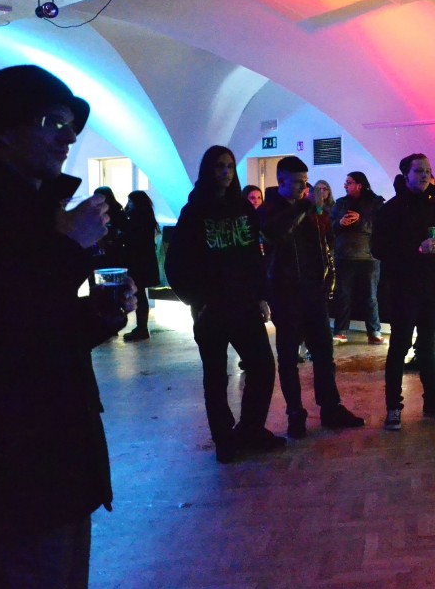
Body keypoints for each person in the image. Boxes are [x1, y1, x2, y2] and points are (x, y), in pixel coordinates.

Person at [0, 65, 136, 589]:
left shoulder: (35, 206)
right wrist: (69, 246)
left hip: (56, 449)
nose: (67, 138)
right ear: (3, 130)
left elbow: (41, 328)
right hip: (15, 457)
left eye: (71, 126)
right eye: (52, 122)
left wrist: (99, 316)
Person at [165, 145, 284, 463]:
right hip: (212, 309)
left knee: (262, 366)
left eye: (230, 166)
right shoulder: (194, 212)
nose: (226, 172)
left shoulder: (243, 209)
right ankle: (224, 438)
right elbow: (176, 263)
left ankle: (251, 429)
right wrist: (197, 300)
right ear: (208, 170)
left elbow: (254, 256)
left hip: (244, 305)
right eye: (219, 166)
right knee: (216, 376)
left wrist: (261, 294)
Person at [258, 156, 365, 438]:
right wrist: (304, 207)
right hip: (285, 294)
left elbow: (324, 243)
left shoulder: (310, 209)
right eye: (297, 183)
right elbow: (275, 235)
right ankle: (295, 413)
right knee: (288, 358)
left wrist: (327, 278)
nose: (303, 188)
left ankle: (330, 407)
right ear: (281, 181)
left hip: (313, 292)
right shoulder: (269, 209)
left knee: (324, 353)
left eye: (305, 182)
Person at [371, 154, 435, 430]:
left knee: (429, 347)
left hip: (431, 289)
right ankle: (393, 407)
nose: (425, 175)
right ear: (405, 174)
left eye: (428, 171)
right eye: (419, 171)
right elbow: (378, 248)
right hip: (403, 289)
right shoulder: (391, 209)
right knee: (399, 346)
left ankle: (432, 400)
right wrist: (416, 249)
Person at [330, 171, 385, 344]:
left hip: (369, 256)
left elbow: (381, 227)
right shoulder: (340, 203)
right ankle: (340, 331)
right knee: (343, 296)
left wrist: (360, 220)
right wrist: (340, 223)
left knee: (370, 297)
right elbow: (329, 226)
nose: (345, 185)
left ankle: (374, 332)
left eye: (349, 182)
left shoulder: (375, 202)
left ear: (359, 185)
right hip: (344, 256)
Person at [122, 190, 161, 342]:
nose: (128, 204)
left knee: (139, 296)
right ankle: (141, 327)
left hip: (138, 262)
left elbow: (131, 239)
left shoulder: (136, 220)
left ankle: (141, 328)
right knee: (141, 295)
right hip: (145, 262)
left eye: (130, 202)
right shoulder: (147, 218)